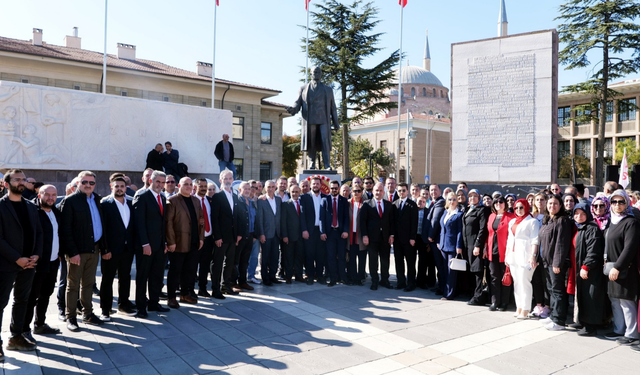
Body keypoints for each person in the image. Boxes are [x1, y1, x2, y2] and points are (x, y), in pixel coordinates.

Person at [0, 170, 43, 353]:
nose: (22, 182)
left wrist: (36, 255)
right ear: (7, 184)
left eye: (24, 179)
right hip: (5, 264)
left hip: (29, 264)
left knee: (22, 301)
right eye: (17, 179)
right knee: (0, 303)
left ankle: (16, 337)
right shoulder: (0, 206)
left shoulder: (31, 206)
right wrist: (17, 258)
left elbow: (39, 232)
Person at [59, 171, 106, 331]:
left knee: (88, 284)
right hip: (77, 252)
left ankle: (88, 314)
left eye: (91, 183)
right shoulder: (70, 201)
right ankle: (70, 317)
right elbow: (65, 230)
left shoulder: (97, 199)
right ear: (78, 183)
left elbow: (101, 225)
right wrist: (72, 252)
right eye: (84, 182)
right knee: (72, 285)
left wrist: (103, 247)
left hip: (94, 249)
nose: (88, 185)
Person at [23, 185, 60, 341]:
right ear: (39, 195)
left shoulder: (57, 212)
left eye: (53, 195)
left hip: (53, 261)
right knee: (31, 297)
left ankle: (40, 324)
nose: (50, 198)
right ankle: (24, 329)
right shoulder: (33, 212)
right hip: (38, 262)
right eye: (47, 194)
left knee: (46, 294)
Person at [603, 189, 640, 344]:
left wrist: (617, 267)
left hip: (624, 269)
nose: (617, 205)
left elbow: (629, 248)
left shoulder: (630, 222)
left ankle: (631, 334)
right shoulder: (611, 221)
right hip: (611, 267)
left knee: (626, 301)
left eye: (621, 202)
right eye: (614, 201)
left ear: (627, 203)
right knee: (615, 300)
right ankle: (619, 329)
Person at [286, 66, 339, 169]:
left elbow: (333, 107)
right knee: (311, 142)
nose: (317, 73)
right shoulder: (303, 89)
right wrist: (293, 109)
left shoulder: (328, 90)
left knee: (325, 142)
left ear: (321, 74)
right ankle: (312, 163)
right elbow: (297, 102)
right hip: (310, 119)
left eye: (319, 72)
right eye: (315, 72)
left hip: (324, 120)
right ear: (311, 74)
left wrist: (335, 122)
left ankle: (327, 164)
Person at [133, 170, 169, 318]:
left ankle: (154, 302)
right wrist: (144, 243)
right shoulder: (142, 197)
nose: (160, 185)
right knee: (142, 276)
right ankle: (141, 307)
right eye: (157, 182)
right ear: (150, 181)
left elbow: (163, 223)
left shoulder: (162, 197)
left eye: (162, 182)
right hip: (146, 246)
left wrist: (165, 242)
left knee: (157, 275)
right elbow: (139, 223)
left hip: (160, 245)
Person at [99, 177, 137, 320]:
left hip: (128, 248)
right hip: (111, 250)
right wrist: (105, 249)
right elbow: (102, 228)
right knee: (107, 279)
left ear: (126, 187)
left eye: (122, 186)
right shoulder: (105, 204)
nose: (120, 188)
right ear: (111, 187)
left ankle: (123, 304)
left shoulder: (131, 203)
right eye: (117, 186)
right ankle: (105, 309)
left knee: (125, 277)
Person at [165, 177, 204, 308]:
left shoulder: (195, 200)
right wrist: (171, 241)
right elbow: (168, 223)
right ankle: (171, 297)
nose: (188, 186)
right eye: (185, 184)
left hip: (193, 242)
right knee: (175, 271)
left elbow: (201, 221)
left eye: (190, 184)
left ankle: (185, 294)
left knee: (190, 270)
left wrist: (201, 238)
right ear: (179, 185)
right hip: (178, 242)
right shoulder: (173, 200)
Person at [539, 194, 573, 331]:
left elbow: (561, 244)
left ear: (560, 206)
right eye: (550, 203)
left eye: (555, 204)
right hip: (546, 262)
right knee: (551, 290)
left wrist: (557, 263)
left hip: (556, 263)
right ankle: (553, 315)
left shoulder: (562, 221)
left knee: (558, 291)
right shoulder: (548, 220)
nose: (552, 206)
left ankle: (559, 320)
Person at [572, 203, 606, 336]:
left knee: (591, 296)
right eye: (576, 213)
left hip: (590, 270)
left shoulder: (592, 228)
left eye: (582, 214)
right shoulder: (581, 228)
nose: (579, 216)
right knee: (583, 295)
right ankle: (583, 321)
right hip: (581, 268)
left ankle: (591, 326)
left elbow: (594, 250)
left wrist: (586, 266)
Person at [504, 199, 539, 319]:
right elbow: (509, 240)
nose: (518, 210)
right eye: (516, 208)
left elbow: (535, 240)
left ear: (526, 207)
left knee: (525, 282)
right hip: (513, 256)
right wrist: (507, 255)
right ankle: (518, 306)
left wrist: (533, 256)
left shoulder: (532, 221)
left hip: (526, 255)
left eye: (521, 207)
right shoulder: (512, 221)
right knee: (517, 282)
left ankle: (525, 308)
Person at [361, 182, 395, 290]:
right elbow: (363, 221)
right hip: (372, 238)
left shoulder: (389, 204)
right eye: (376, 190)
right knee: (373, 260)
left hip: (385, 237)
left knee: (385, 260)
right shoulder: (367, 204)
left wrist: (391, 235)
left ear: (383, 192)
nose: (378, 193)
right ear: (373, 191)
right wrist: (365, 235)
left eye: (380, 191)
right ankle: (374, 280)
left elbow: (392, 221)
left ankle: (385, 279)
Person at [212, 170, 241, 297]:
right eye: (225, 178)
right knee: (217, 263)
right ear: (220, 180)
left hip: (232, 237)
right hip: (221, 237)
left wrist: (238, 234)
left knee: (230, 262)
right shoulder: (217, 197)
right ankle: (215, 288)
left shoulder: (235, 196)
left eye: (230, 178)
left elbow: (237, 216)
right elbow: (214, 218)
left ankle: (226, 285)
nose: (228, 181)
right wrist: (217, 237)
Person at [486, 196, 515, 311]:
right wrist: (485, 248)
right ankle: (495, 301)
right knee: (494, 277)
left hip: (505, 252)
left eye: (501, 202)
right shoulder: (491, 216)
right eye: (496, 202)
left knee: (505, 277)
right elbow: (488, 234)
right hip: (492, 251)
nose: (498, 203)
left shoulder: (511, 217)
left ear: (505, 204)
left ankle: (504, 302)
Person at [462, 189, 490, 305]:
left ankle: (478, 297)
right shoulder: (468, 209)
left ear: (479, 198)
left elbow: (483, 229)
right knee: (471, 270)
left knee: (478, 271)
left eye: (475, 196)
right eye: (470, 196)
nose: (472, 198)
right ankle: (472, 292)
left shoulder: (482, 210)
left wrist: (478, 245)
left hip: (474, 245)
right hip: (467, 245)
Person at [320, 180, 350, 286]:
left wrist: (346, 230)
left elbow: (347, 217)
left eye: (336, 188)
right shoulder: (325, 200)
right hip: (329, 233)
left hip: (341, 232)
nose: (334, 190)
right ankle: (333, 278)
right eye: (332, 188)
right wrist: (322, 232)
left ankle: (343, 277)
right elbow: (321, 218)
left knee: (342, 256)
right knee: (331, 257)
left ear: (339, 188)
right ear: (329, 188)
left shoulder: (344, 201)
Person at [300, 177, 327, 285]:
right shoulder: (304, 197)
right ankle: (310, 276)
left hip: (321, 231)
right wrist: (304, 230)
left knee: (320, 254)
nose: (315, 185)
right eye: (314, 184)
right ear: (311, 185)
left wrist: (324, 231)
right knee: (309, 254)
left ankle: (320, 276)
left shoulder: (325, 197)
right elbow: (302, 215)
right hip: (309, 231)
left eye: (317, 184)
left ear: (321, 185)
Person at [438, 192, 464, 300]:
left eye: (454, 199)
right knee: (444, 270)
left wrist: (459, 246)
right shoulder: (445, 212)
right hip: (444, 245)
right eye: (449, 199)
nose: (452, 201)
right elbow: (442, 229)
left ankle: (450, 293)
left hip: (453, 246)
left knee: (451, 271)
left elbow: (459, 231)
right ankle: (445, 290)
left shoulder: (459, 214)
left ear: (457, 201)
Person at [392, 183, 418, 291]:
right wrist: (392, 235)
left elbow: (414, 223)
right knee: (398, 261)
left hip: (408, 239)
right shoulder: (394, 204)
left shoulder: (412, 205)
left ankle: (411, 283)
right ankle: (401, 282)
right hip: (397, 239)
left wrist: (412, 237)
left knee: (410, 262)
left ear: (407, 191)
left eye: (403, 190)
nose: (401, 192)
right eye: (399, 191)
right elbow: (393, 222)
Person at [256, 180, 282, 286]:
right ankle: (265, 278)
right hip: (266, 233)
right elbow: (259, 219)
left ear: (275, 187)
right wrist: (261, 234)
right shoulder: (261, 200)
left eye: (272, 186)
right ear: (264, 188)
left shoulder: (279, 200)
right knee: (265, 256)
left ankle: (273, 276)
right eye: (268, 187)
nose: (270, 189)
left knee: (275, 256)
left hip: (277, 233)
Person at [233, 182, 256, 290]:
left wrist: (255, 234)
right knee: (235, 261)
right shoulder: (237, 201)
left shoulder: (252, 202)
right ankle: (233, 282)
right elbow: (235, 219)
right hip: (240, 236)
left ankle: (243, 281)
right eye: (244, 188)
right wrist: (237, 234)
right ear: (239, 189)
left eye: (248, 188)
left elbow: (254, 219)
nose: (247, 190)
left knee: (245, 261)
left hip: (250, 236)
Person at [194, 179, 214, 297]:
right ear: (195, 187)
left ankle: (202, 288)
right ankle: (189, 290)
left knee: (205, 266)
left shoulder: (210, 200)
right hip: (196, 239)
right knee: (192, 266)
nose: (203, 188)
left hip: (208, 239)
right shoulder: (192, 200)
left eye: (204, 186)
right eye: (200, 186)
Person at [281, 184, 305, 283]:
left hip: (300, 236)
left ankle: (299, 275)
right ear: (289, 193)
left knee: (299, 256)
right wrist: (285, 235)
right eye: (293, 192)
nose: (295, 194)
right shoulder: (286, 204)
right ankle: (289, 276)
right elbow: (283, 222)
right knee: (289, 256)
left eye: (296, 192)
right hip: (290, 236)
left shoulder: (303, 203)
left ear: (300, 192)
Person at [427, 184, 446, 295]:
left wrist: (431, 236)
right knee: (438, 264)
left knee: (440, 265)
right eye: (431, 190)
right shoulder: (434, 202)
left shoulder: (440, 202)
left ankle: (443, 288)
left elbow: (435, 220)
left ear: (440, 190)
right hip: (434, 240)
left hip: (436, 239)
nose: (433, 192)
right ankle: (440, 285)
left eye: (435, 190)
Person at [347, 184, 367, 285]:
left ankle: (360, 278)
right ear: (351, 192)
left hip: (360, 234)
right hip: (351, 235)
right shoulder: (347, 203)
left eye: (359, 191)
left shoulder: (366, 203)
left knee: (362, 258)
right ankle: (353, 278)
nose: (357, 193)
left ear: (362, 192)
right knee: (352, 257)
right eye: (355, 191)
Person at [416, 196, 434, 289]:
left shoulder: (428, 212)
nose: (421, 203)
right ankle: (412, 279)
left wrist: (428, 242)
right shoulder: (413, 210)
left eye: (423, 202)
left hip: (423, 239)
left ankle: (421, 281)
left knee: (423, 261)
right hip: (414, 238)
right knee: (411, 260)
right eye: (419, 201)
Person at [247, 181, 262, 285]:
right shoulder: (243, 200)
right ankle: (241, 276)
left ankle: (251, 275)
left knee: (254, 256)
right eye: (251, 187)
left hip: (255, 234)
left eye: (255, 188)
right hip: (245, 234)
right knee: (244, 257)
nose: (253, 189)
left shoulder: (259, 201)